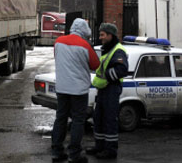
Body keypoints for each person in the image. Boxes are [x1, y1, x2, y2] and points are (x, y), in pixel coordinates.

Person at [51, 18, 100, 163]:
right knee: (78, 121)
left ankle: (56, 151)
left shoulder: (58, 42)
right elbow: (95, 65)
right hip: (79, 90)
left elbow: (57, 58)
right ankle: (74, 154)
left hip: (62, 88)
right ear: (85, 31)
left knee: (60, 118)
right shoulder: (85, 45)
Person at [86, 23, 129, 160]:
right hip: (104, 90)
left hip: (111, 89)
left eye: (102, 35)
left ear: (110, 35)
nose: (100, 38)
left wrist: (107, 78)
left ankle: (110, 150)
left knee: (110, 120)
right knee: (98, 118)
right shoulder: (108, 49)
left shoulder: (118, 50)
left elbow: (122, 70)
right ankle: (100, 146)